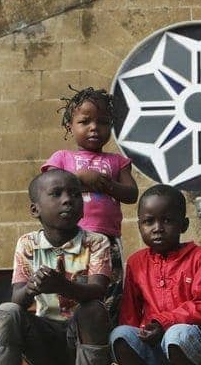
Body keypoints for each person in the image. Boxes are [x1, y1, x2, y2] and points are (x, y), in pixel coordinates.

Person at [0, 169, 113, 365]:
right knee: (5, 312)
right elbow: (17, 299)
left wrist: (62, 286)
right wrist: (33, 287)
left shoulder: (96, 242)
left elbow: (98, 290)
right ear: (35, 210)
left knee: (93, 310)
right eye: (56, 194)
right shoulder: (27, 244)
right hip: (45, 343)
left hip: (80, 343)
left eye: (75, 194)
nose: (68, 200)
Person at [109, 184, 201, 365]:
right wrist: (140, 335)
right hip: (155, 349)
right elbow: (130, 313)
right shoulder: (137, 262)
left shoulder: (200, 258)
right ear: (139, 226)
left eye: (167, 221)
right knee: (119, 335)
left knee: (177, 333)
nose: (157, 228)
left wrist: (164, 322)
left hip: (193, 349)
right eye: (149, 222)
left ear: (184, 225)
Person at [42, 87, 138, 321]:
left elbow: (131, 193)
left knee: (109, 288)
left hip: (107, 240)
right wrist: (81, 179)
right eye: (85, 121)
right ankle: (68, 332)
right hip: (71, 238)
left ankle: (105, 330)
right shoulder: (62, 158)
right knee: (71, 286)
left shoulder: (117, 161)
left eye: (103, 122)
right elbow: (50, 187)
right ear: (70, 127)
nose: (94, 127)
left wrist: (105, 185)